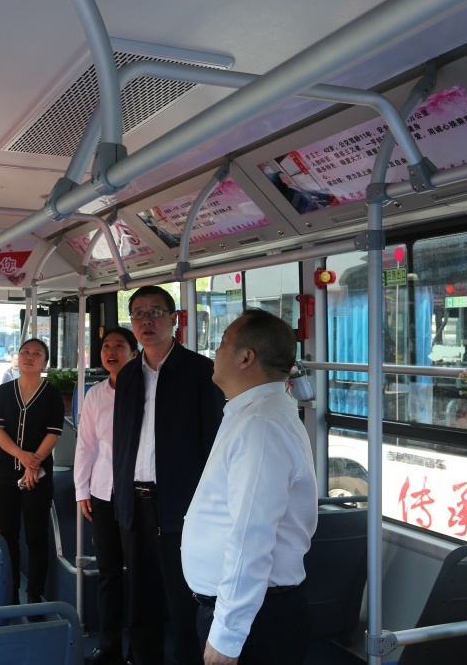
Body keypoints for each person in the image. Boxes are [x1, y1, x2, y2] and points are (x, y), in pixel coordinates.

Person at [181, 309, 318, 665]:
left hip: (254, 620)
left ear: (246, 358)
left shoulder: (261, 424)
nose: (215, 351)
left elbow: (251, 538)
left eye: (222, 342)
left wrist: (227, 637)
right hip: (246, 611)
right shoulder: (250, 413)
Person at [112, 285, 227, 665]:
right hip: (135, 504)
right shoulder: (128, 375)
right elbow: (121, 443)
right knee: (140, 598)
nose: (146, 321)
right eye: (139, 313)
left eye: (155, 312)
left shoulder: (200, 372)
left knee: (182, 600)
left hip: (182, 506)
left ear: (174, 319)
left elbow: (212, 443)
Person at [74, 327, 139, 665]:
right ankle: (109, 644)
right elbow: (86, 446)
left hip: (139, 493)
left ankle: (139, 650)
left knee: (141, 573)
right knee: (109, 571)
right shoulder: (95, 395)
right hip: (102, 492)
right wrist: (81, 490)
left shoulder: (146, 390)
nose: (111, 352)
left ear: (134, 352)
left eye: (119, 346)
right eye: (106, 347)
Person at [0, 338, 65, 605]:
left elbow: (54, 433)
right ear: (18, 358)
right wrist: (22, 456)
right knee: (7, 535)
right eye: (25, 352)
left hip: (38, 476)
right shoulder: (3, 391)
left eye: (36, 353)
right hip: (4, 475)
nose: (29, 357)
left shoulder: (52, 394)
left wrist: (34, 464)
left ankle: (34, 595)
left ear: (45, 362)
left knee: (36, 536)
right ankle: (10, 594)